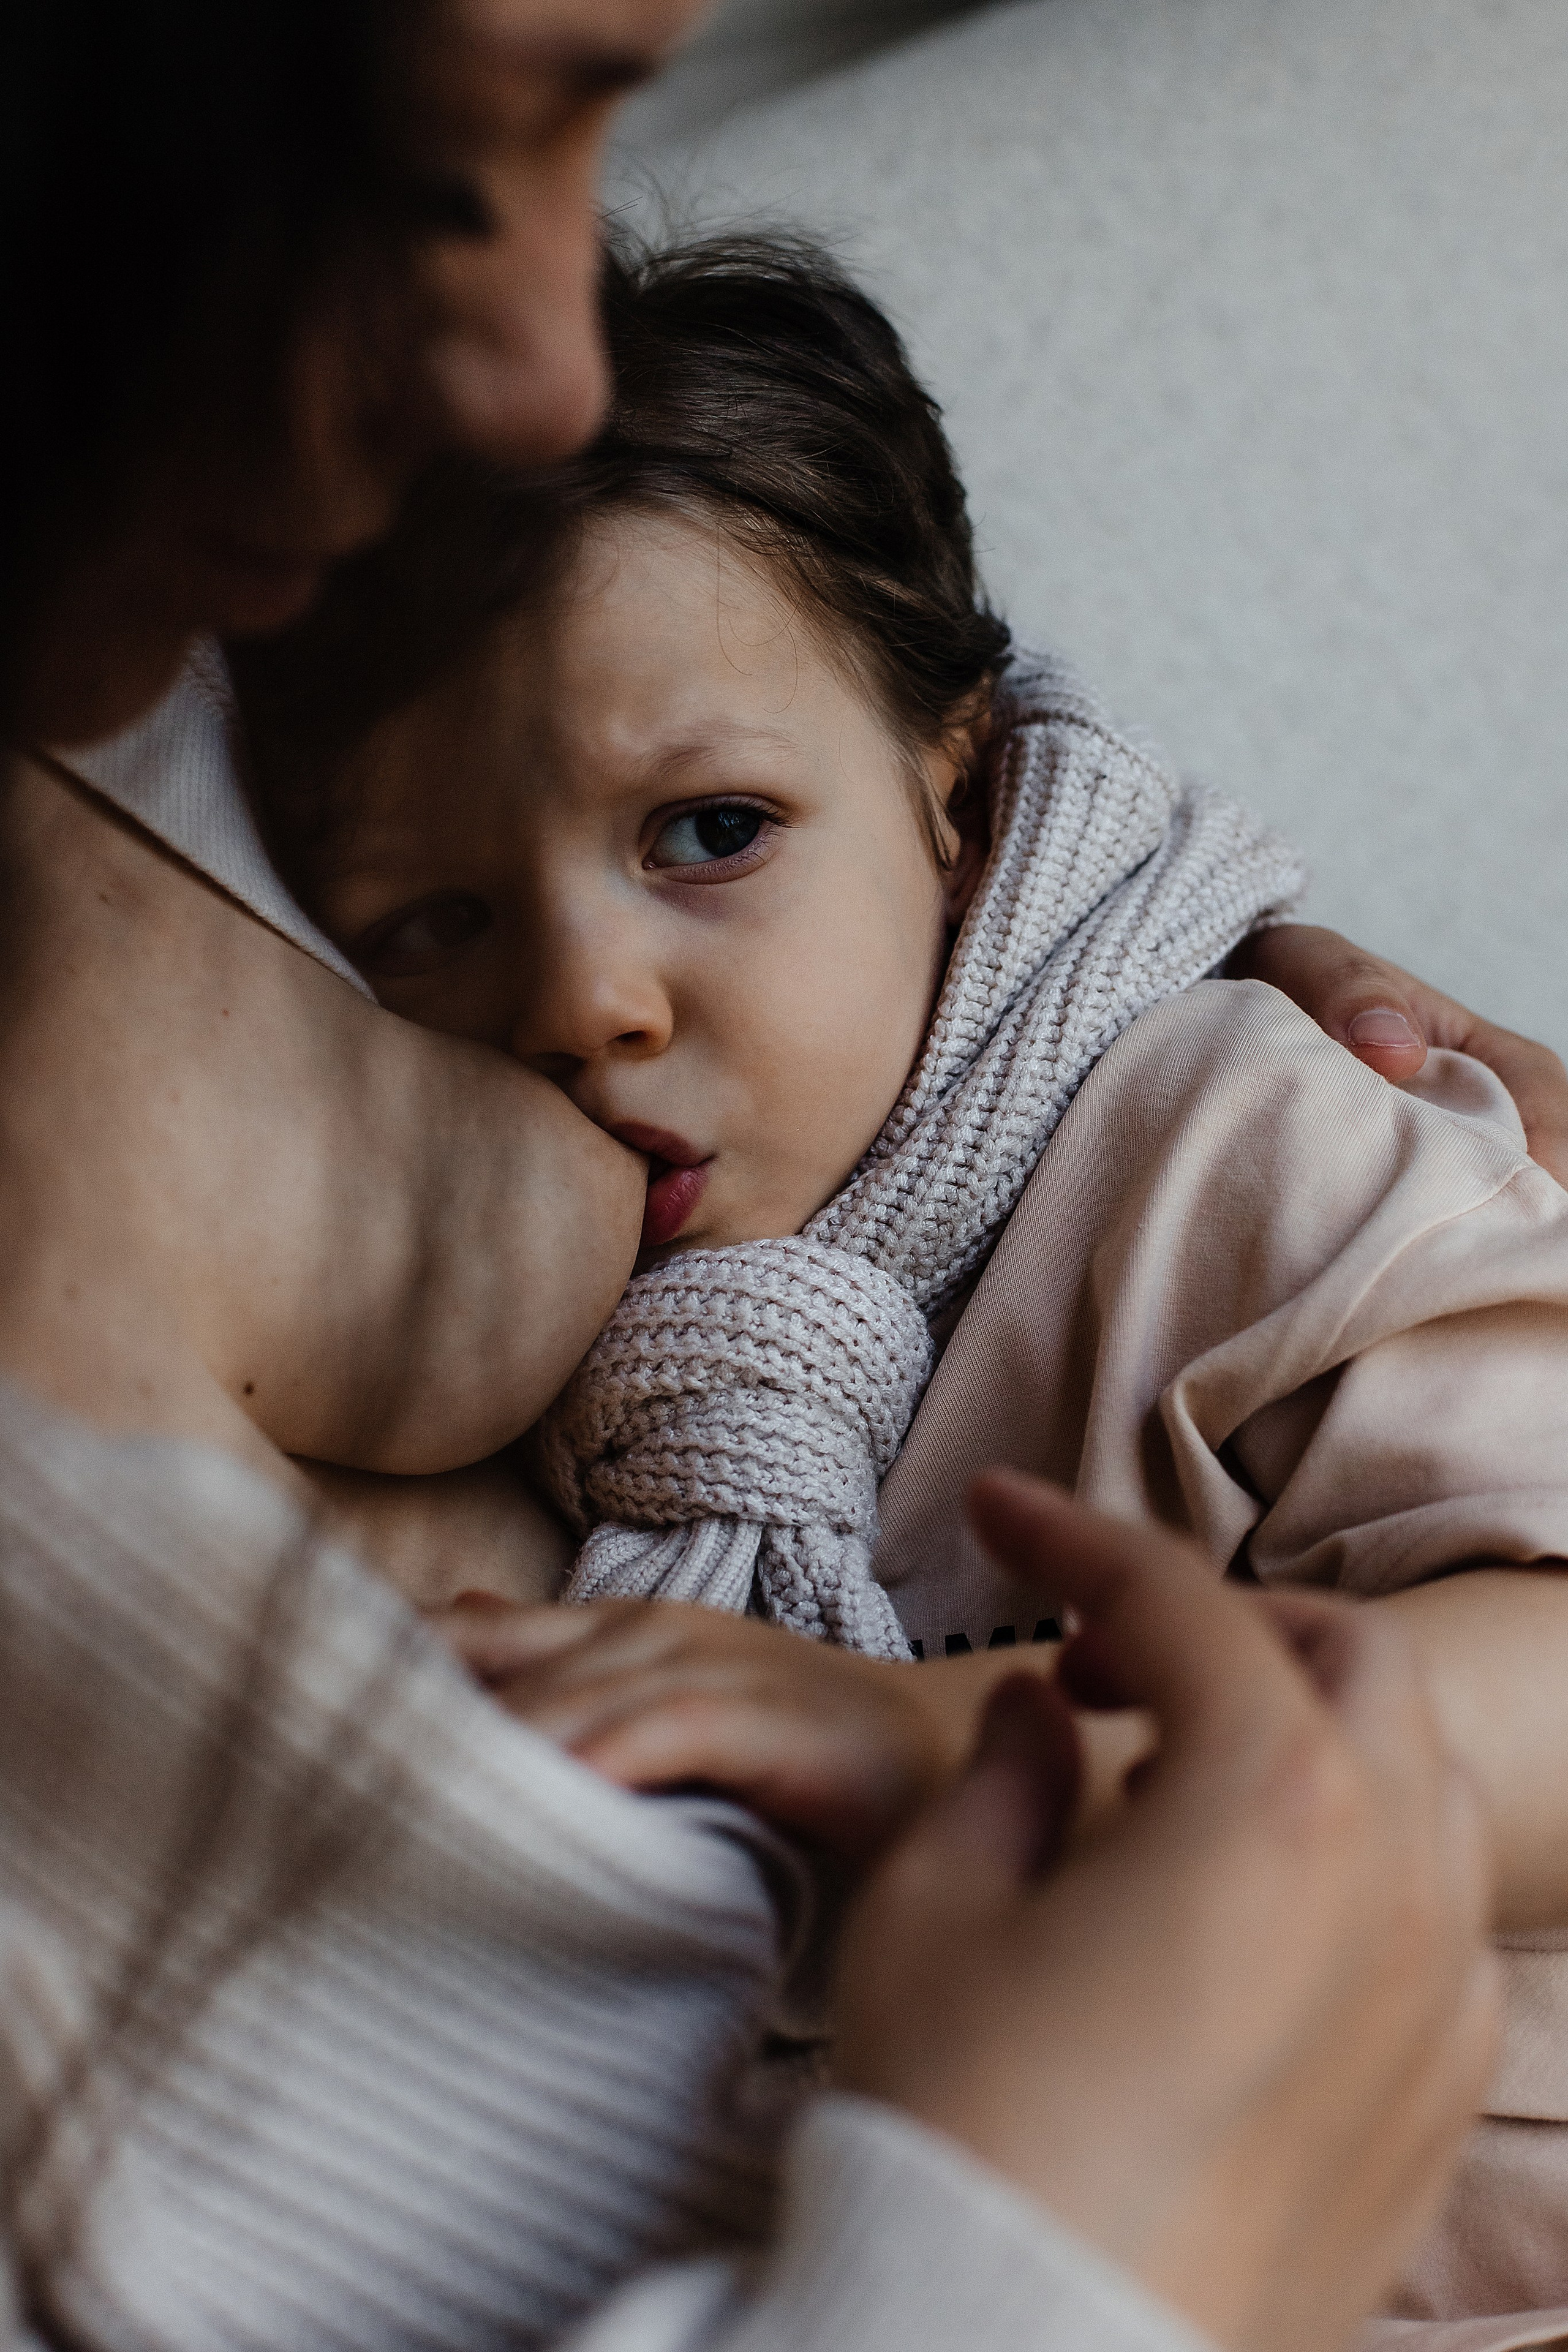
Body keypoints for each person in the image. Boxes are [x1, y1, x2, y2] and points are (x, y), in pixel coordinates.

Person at [0, 3, 1544, 2348]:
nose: (584, 999)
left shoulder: (1232, 1142)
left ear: (956, 790)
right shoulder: (584, 1393)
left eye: (710, 838)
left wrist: (916, 1742)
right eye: (433, 925)